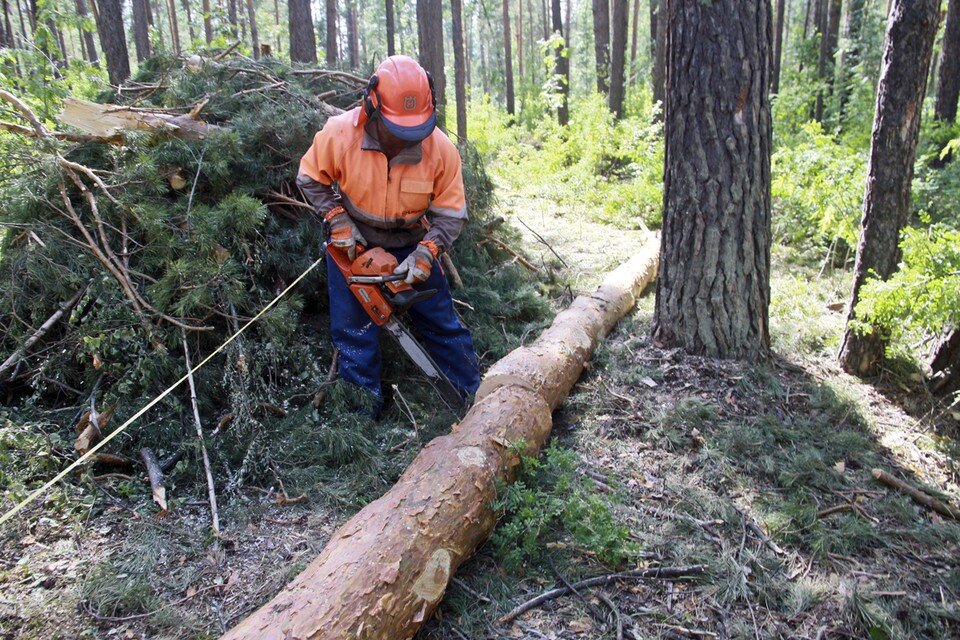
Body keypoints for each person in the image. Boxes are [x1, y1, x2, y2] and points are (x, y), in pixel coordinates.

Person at [297, 55, 480, 415]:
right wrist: (336, 218)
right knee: (354, 332)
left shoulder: (439, 149)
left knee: (442, 321)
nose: (404, 141)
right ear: (372, 108)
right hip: (355, 244)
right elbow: (309, 177)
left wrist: (427, 252)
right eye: (397, 131)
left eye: (413, 132)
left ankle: (473, 396)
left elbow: (451, 213)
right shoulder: (339, 133)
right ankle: (363, 413)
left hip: (412, 239)